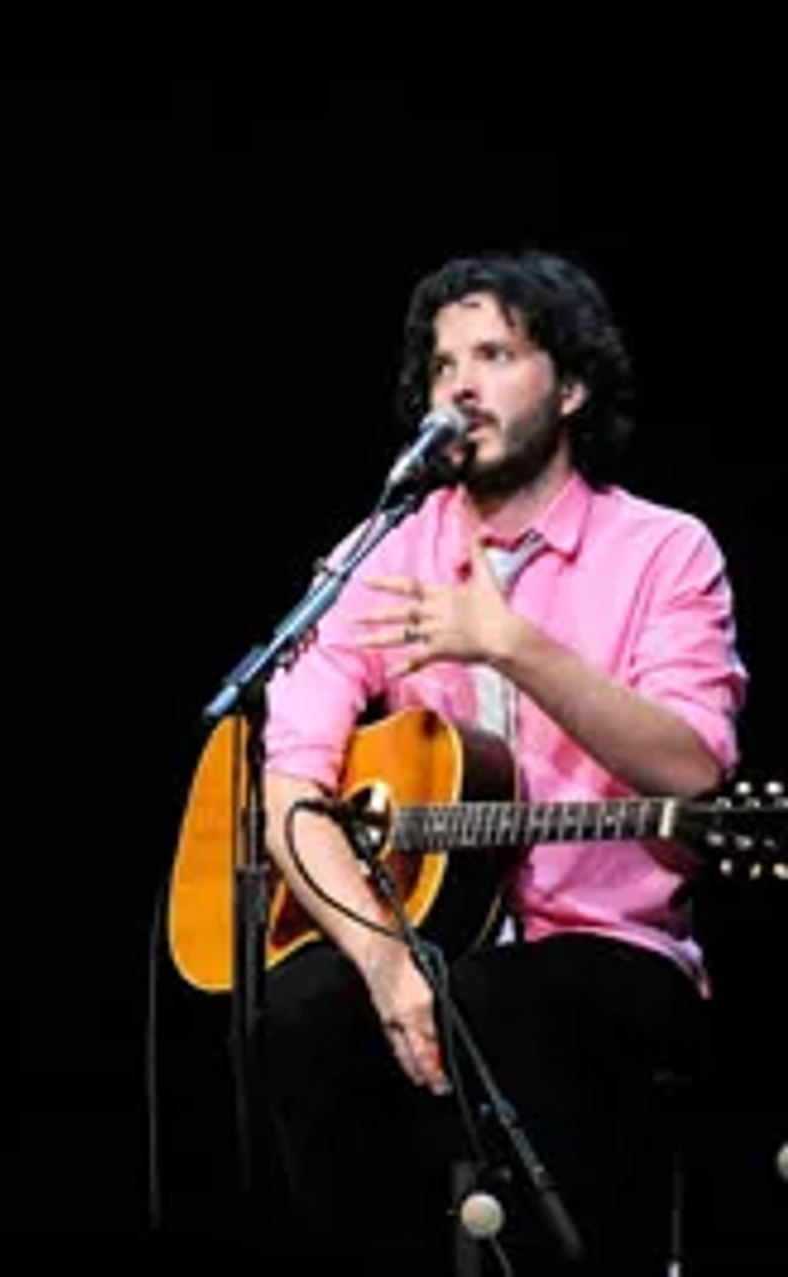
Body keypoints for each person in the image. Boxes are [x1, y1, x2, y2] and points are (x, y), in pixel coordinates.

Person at [252, 250, 748, 1273]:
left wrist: (513, 642)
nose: (460, 386)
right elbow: (294, 779)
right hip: (428, 939)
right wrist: (387, 966)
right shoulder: (385, 550)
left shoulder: (665, 550)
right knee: (300, 1012)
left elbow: (694, 769)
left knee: (500, 1005)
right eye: (442, 366)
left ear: (568, 386)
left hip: (610, 946)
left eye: (494, 354)